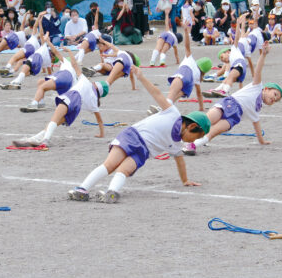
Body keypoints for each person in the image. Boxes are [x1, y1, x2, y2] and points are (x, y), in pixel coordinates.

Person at [67, 66, 210, 203]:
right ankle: (82, 189)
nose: (192, 141)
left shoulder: (176, 145)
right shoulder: (172, 113)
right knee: (110, 165)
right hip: (131, 137)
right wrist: (141, 77)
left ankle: (111, 193)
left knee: (124, 170)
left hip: (143, 152)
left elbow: (180, 160)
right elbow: (157, 94)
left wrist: (185, 180)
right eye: (196, 137)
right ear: (192, 126)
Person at [183, 43, 282, 155]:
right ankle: (180, 137)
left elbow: (257, 125)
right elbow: (258, 70)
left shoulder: (257, 109)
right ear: (266, 89)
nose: (274, 99)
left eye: (276, 100)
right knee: (205, 122)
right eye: (275, 94)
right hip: (228, 104)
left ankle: (192, 146)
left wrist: (262, 141)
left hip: (235, 117)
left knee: (213, 132)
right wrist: (263, 55)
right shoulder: (257, 86)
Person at [12, 45, 109, 148]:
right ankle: (36, 138)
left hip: (72, 97)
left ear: (96, 86)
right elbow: (99, 120)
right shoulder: (94, 101)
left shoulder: (86, 82)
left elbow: (75, 65)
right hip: (76, 109)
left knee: (53, 120)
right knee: (54, 123)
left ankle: (45, 141)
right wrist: (101, 134)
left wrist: (70, 52)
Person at [158, 24, 210, 111]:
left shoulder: (190, 60)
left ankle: (164, 106)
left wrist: (186, 31)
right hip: (189, 83)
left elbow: (187, 46)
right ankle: (167, 105)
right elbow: (199, 94)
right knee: (181, 92)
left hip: (185, 72)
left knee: (172, 92)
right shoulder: (197, 78)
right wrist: (201, 108)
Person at [20, 42, 78, 112]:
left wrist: (48, 41)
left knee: (42, 86)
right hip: (67, 87)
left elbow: (55, 51)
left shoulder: (66, 63)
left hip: (64, 76)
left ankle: (34, 104)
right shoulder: (74, 72)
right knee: (41, 82)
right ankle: (41, 103)